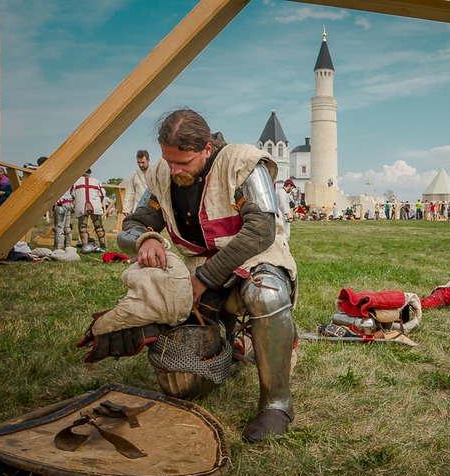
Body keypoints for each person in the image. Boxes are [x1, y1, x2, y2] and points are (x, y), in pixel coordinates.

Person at [106, 109, 296, 443]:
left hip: (255, 257)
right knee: (185, 380)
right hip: (199, 266)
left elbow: (260, 231)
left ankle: (276, 403)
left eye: (184, 162)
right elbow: (132, 225)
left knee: (264, 295)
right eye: (169, 160)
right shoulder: (164, 172)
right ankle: (236, 347)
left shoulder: (243, 163)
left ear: (207, 149)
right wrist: (145, 238)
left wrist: (205, 278)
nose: (174, 170)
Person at [71, 168, 107, 252]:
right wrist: (98, 202)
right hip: (95, 205)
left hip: (81, 206)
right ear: (90, 173)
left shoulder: (76, 182)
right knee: (99, 227)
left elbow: (72, 194)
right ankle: (103, 245)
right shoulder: (96, 181)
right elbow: (102, 193)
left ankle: (85, 246)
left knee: (82, 228)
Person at [123, 150, 150, 215]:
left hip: (151, 209)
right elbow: (130, 192)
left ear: (148, 160)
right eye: (138, 162)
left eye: (143, 162)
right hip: (137, 209)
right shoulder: (134, 174)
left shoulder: (155, 173)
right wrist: (126, 209)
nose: (140, 165)